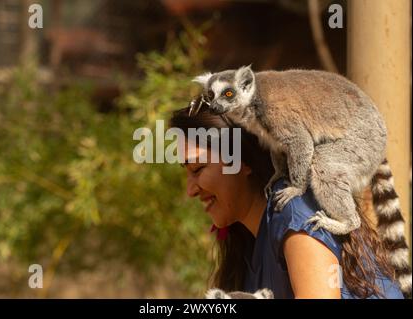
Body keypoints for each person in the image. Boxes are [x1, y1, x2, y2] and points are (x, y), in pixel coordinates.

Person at [169, 102, 404, 299]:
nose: (190, 190)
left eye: (198, 168)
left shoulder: (294, 208)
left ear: (241, 160)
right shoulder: (250, 244)